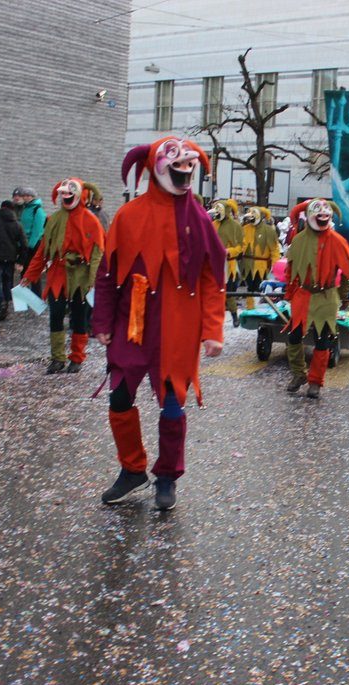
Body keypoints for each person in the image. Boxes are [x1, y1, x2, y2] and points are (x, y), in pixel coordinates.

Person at [94, 136, 225, 510]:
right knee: (120, 397)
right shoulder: (128, 214)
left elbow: (211, 278)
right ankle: (132, 469)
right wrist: (101, 320)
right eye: (176, 164)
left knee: (172, 402)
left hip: (177, 327)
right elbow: (107, 273)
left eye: (189, 165)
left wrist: (213, 330)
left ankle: (167, 476)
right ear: (155, 166)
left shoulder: (198, 217)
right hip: (131, 324)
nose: (185, 171)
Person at [20, 177, 105, 374]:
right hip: (58, 274)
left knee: (78, 318)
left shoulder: (91, 220)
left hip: (81, 276)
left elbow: (97, 252)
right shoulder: (54, 219)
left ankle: (76, 357)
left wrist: (93, 279)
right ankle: (57, 358)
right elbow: (43, 250)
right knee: (56, 315)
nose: (65, 198)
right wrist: (29, 275)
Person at [282, 198, 349, 399]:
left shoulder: (338, 241)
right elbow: (290, 269)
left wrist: (344, 295)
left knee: (323, 340)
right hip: (303, 295)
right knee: (294, 336)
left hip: (326, 295)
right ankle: (298, 374)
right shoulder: (298, 240)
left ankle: (315, 381)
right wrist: (289, 292)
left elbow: (347, 270)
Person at [210, 199, 244, 326]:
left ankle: (235, 316)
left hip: (229, 264)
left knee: (229, 292)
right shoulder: (213, 224)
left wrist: (228, 251)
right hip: (214, 263)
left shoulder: (235, 226)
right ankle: (214, 318)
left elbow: (240, 246)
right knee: (214, 292)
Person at [239, 205, 280, 310]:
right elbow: (239, 245)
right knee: (249, 287)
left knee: (259, 287)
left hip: (261, 265)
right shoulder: (244, 229)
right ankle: (250, 308)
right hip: (247, 264)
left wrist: (276, 266)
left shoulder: (269, 231)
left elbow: (275, 250)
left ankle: (258, 308)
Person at [14, 187, 46, 296]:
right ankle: (25, 297)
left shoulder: (38, 210)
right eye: (25, 195)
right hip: (24, 244)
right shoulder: (25, 209)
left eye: (29, 195)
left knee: (33, 272)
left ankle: (36, 297)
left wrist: (30, 245)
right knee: (24, 272)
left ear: (33, 197)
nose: (26, 197)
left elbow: (37, 230)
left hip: (32, 245)